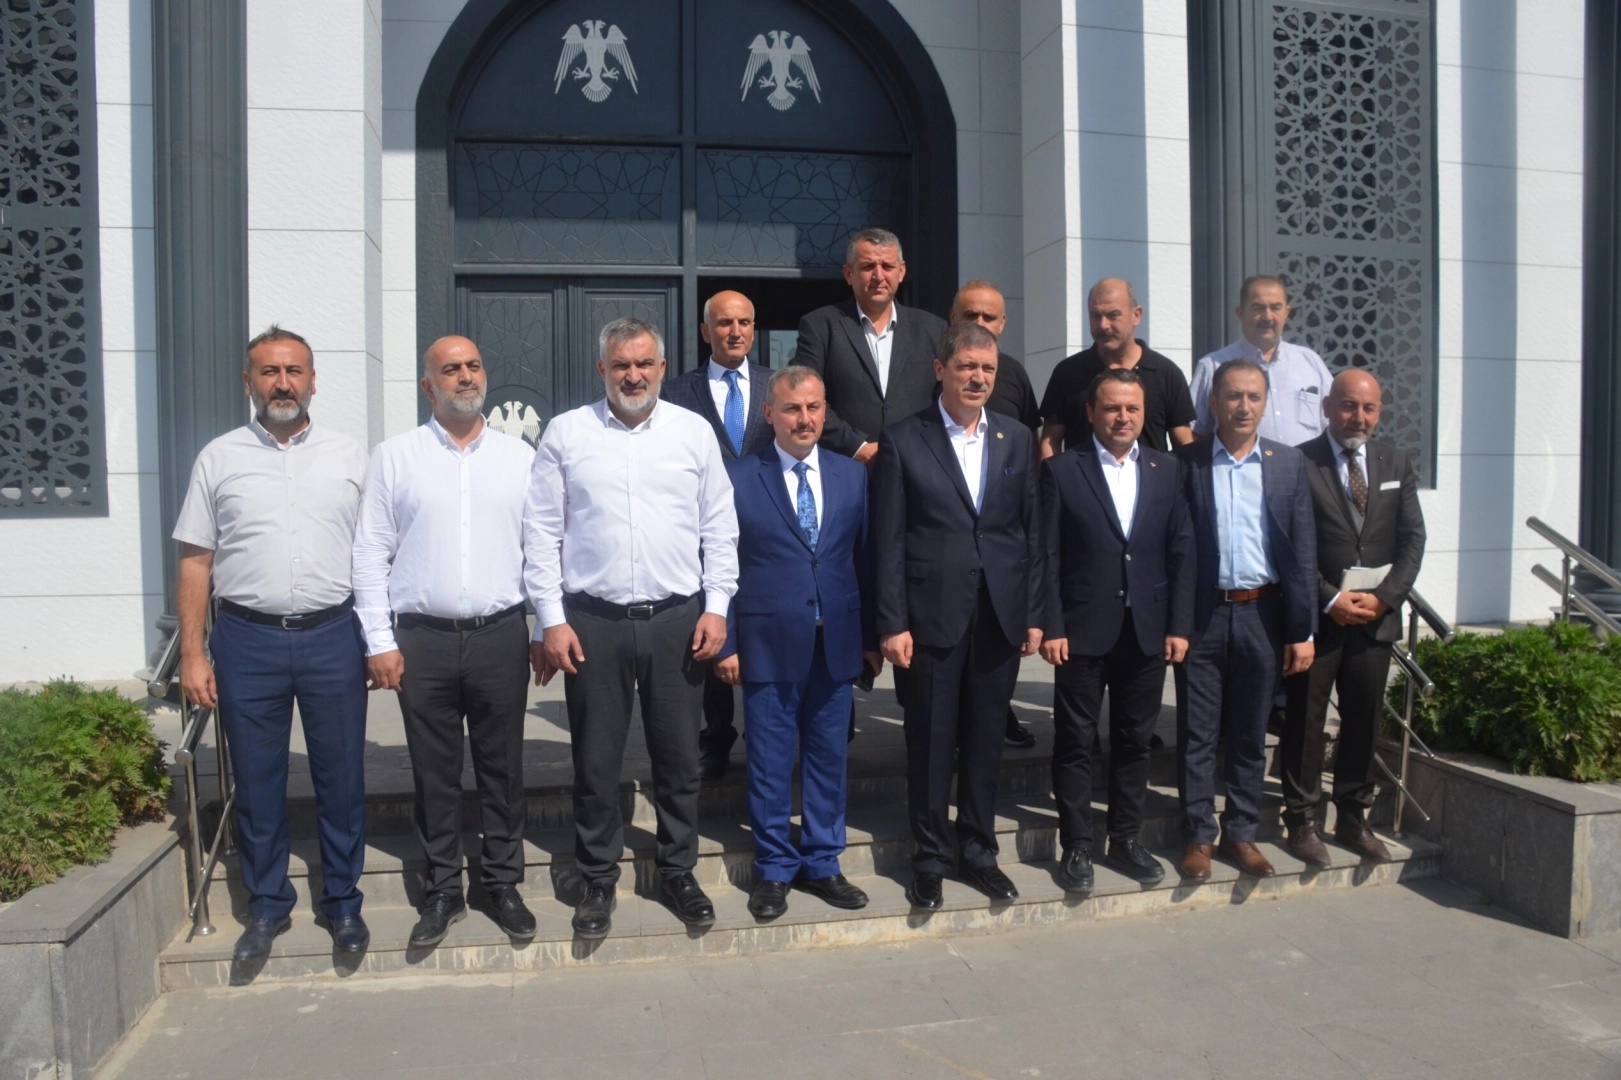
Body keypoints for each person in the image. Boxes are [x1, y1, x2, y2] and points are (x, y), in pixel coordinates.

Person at [524, 317, 739, 940]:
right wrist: (551, 619)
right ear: (602, 369)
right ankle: (597, 878)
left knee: (680, 758)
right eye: (621, 365)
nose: (634, 375)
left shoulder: (692, 432)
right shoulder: (568, 434)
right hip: (594, 622)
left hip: (678, 620)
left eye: (644, 364)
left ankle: (678, 870)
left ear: (662, 367)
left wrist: (718, 605)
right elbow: (540, 532)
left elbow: (719, 526)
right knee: (595, 761)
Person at [173, 326, 370, 962]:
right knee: (257, 781)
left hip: (333, 635)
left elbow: (374, 553)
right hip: (247, 640)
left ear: (313, 380)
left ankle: (343, 901)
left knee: (341, 776)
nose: (282, 384)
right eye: (269, 372)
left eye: (294, 371)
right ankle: (267, 904)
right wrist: (194, 652)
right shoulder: (218, 458)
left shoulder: (350, 456)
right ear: (248, 382)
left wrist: (378, 637)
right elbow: (196, 560)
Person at [351, 336, 537, 949]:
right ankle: (442, 891)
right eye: (450, 369)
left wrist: (544, 624)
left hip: (499, 635)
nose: (465, 376)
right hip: (421, 641)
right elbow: (370, 552)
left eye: (473, 365)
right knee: (434, 773)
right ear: (427, 386)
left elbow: (542, 547)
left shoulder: (519, 458)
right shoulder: (395, 457)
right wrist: (378, 639)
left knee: (502, 768)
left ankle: (503, 884)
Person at [872, 322, 1044, 909]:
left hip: (998, 616)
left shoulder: (1017, 438)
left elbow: (1030, 534)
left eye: (988, 369)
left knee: (985, 741)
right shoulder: (903, 439)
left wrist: (1034, 614)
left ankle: (979, 851)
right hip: (929, 620)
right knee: (930, 742)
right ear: (940, 370)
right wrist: (891, 622)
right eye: (967, 366)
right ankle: (929, 858)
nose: (978, 378)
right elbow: (888, 541)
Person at [714, 367, 880, 919]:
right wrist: (727, 641)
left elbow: (864, 559)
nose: (804, 418)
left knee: (828, 757)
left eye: (813, 407)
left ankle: (823, 863)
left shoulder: (851, 476)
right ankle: (773, 868)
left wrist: (870, 637)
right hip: (766, 640)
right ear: (769, 414)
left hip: (836, 641)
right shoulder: (739, 477)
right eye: (792, 408)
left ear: (825, 411)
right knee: (769, 760)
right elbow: (720, 563)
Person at [1040, 369, 1194, 893]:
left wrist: (1178, 625)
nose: (1122, 417)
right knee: (1075, 741)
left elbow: (1181, 551)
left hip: (1147, 629)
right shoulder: (1062, 470)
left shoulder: (1167, 469)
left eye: (1132, 408)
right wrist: (1052, 624)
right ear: (1091, 413)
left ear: (1144, 414)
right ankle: (1078, 844)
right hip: (1081, 630)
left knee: (1134, 740)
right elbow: (1047, 555)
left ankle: (1126, 838)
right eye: (1111, 408)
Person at [1175, 359, 1317, 880]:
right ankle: (1198, 835)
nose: (1243, 406)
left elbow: (1301, 552)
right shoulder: (1186, 462)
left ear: (1264, 403)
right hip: (1204, 615)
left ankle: (1241, 833)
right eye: (1233, 396)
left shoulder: (1287, 463)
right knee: (1197, 731)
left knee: (1251, 732)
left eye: (1253, 397)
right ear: (1213, 403)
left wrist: (1302, 630)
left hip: (1264, 614)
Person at [1281, 370, 1426, 866]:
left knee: (1363, 720)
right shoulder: (1299, 461)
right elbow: (1289, 544)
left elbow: (1412, 539)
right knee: (1305, 722)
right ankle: (1302, 819)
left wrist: (1385, 598)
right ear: (1327, 407)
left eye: (1368, 408)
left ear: (1379, 411)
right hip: (1319, 620)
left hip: (1373, 621)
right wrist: (1328, 598)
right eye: (1347, 406)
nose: (1357, 417)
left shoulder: (1395, 461)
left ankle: (1352, 817)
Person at [662, 290, 775, 780]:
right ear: (706, 331)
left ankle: (765, 734)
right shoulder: (675, 392)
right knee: (709, 629)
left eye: (744, 322)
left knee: (765, 630)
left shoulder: (777, 385)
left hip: (767, 531)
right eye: (725, 323)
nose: (736, 331)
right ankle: (715, 736)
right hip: (701, 532)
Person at [949, 279, 1041, 749]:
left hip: (999, 543)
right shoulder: (940, 369)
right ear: (953, 318)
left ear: (1003, 323)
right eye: (971, 315)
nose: (981, 323)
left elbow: (1031, 447)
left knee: (994, 654)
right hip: (946, 548)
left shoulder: (1014, 375)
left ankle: (998, 715)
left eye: (990, 317)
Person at [793, 228, 947, 463]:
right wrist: (858, 447)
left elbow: (945, 399)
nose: (878, 276)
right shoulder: (820, 326)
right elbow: (806, 397)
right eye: (867, 267)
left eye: (887, 266)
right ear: (849, 273)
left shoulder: (933, 329)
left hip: (917, 464)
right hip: (845, 466)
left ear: (901, 271)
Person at [1039, 278, 1196, 458]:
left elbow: (1184, 444)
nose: (1103, 325)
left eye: (1113, 315)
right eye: (1095, 316)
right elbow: (1051, 441)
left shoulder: (1166, 373)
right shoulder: (1068, 373)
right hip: (1082, 476)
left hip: (1150, 476)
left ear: (1136, 315)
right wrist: (1050, 475)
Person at [1189, 275, 1333, 448]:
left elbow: (1333, 423)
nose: (1267, 317)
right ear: (1240, 313)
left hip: (1306, 466)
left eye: (1276, 308)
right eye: (1258, 308)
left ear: (1287, 313)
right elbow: (1193, 432)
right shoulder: (1212, 366)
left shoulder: (1310, 362)